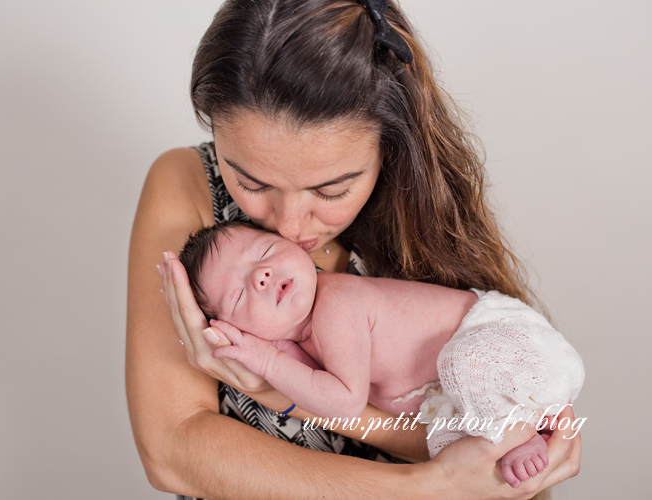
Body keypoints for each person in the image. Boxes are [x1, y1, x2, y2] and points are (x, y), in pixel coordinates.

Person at [127, 0, 582, 498]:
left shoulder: (418, 211)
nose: (289, 225)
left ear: (391, 148)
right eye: (250, 182)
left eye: (330, 191)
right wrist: (430, 485)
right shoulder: (187, 187)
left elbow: (480, 448)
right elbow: (172, 454)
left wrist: (278, 391)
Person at [175, 221, 585, 489]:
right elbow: (312, 389)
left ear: (298, 246)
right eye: (241, 293)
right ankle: (516, 427)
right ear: (236, 330)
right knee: (445, 442)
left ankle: (519, 433)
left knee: (465, 365)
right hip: (468, 393)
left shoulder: (336, 300)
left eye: (264, 252)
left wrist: (266, 362)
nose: (261, 275)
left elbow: (346, 402)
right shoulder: (302, 342)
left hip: (502, 341)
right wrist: (274, 353)